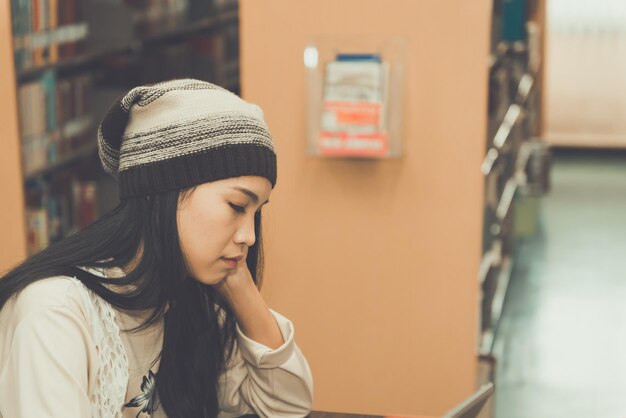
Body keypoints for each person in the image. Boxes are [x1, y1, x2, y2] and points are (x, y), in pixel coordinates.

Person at [0, 79, 314, 418]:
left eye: (258, 213)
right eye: (238, 206)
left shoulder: (191, 299)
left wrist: (238, 283)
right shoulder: (55, 312)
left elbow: (286, 406)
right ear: (161, 190)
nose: (250, 236)